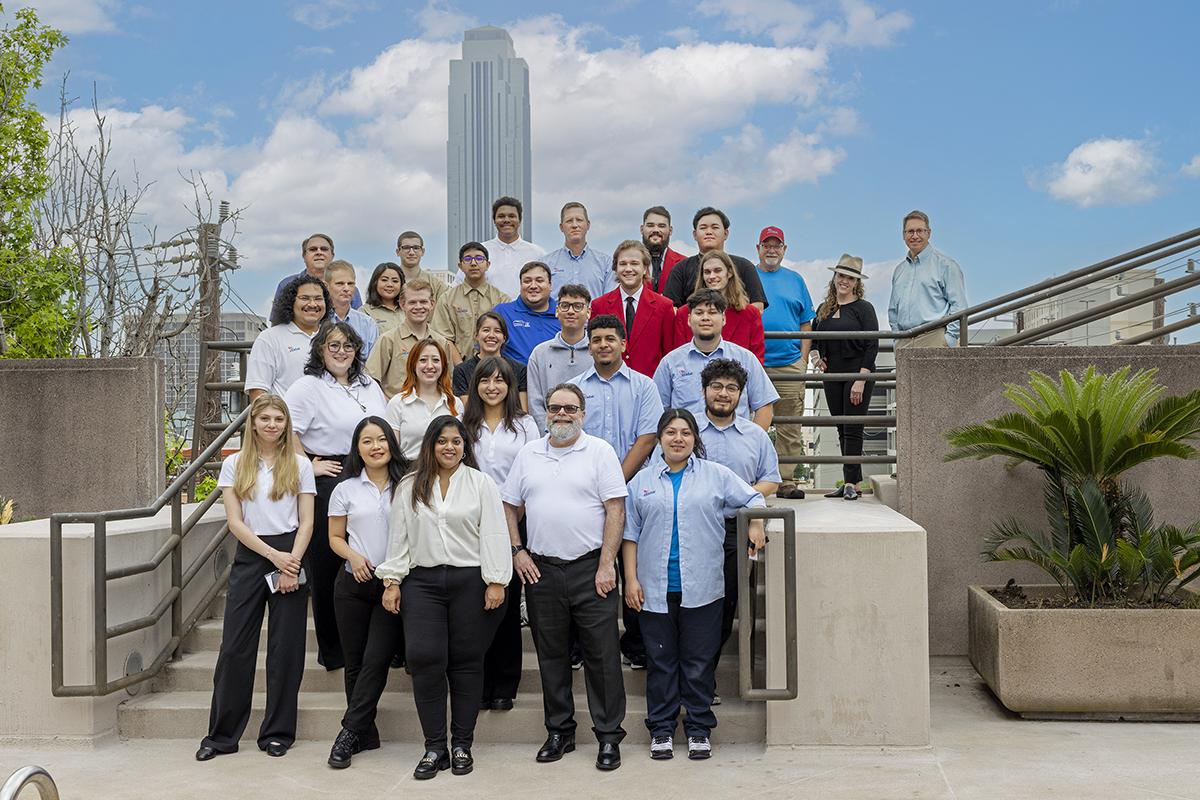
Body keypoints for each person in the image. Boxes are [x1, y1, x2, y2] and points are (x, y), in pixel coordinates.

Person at [623, 408, 765, 761]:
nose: (678, 438)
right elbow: (629, 535)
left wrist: (754, 524)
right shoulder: (640, 482)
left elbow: (753, 498)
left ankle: (699, 728)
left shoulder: (715, 476)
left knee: (698, 663)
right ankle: (661, 729)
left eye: (685, 432)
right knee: (661, 662)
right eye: (670, 432)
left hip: (702, 587)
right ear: (659, 439)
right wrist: (631, 579)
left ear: (694, 440)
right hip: (655, 588)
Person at [376, 416, 512, 779]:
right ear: (430, 445)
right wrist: (392, 580)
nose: (449, 447)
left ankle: (462, 744)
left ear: (465, 446)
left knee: (467, 661)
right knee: (424, 658)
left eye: (456, 441)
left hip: (470, 580)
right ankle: (434, 747)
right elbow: (399, 537)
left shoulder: (481, 483)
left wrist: (496, 580)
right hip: (422, 582)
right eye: (442, 441)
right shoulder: (410, 485)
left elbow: (495, 534)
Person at [502, 384, 629, 771]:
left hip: (591, 568)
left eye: (570, 408)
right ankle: (559, 731)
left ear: (582, 413)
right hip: (542, 570)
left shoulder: (600, 452)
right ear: (545, 412)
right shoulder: (529, 454)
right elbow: (509, 506)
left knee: (602, 656)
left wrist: (608, 563)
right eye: (555, 407)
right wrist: (517, 551)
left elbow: (615, 510)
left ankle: (608, 736)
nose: (561, 414)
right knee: (551, 654)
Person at [195, 394, 316, 761]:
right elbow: (235, 522)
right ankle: (221, 736)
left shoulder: (299, 464)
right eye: (265, 418)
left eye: (278, 418)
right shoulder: (234, 465)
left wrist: (290, 562)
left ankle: (278, 733)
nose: (272, 424)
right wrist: (272, 557)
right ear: (253, 423)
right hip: (252, 554)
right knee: (235, 648)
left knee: (285, 650)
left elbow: (307, 520)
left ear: (286, 424)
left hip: (291, 552)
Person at [284, 322, 388, 671]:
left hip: (371, 470)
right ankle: (334, 650)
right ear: (320, 350)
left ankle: (380, 644)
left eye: (348, 345)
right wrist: (307, 466)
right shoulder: (307, 386)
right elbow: (286, 430)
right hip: (330, 475)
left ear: (357, 349)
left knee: (377, 551)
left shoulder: (369, 384)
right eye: (333, 345)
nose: (341, 351)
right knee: (329, 564)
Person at [569, 315, 664, 670]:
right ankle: (581, 646)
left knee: (633, 567)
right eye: (597, 339)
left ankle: (636, 646)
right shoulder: (575, 388)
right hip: (586, 494)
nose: (604, 344)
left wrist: (615, 482)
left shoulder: (644, 387)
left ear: (624, 344)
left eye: (611, 338)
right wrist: (601, 488)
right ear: (588, 345)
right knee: (585, 567)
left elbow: (648, 438)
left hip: (634, 489)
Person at [325, 416, 411, 769]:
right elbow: (334, 538)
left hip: (391, 585)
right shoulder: (345, 489)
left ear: (391, 443)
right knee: (355, 662)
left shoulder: (408, 485)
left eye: (381, 439)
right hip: (352, 583)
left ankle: (347, 733)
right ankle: (365, 732)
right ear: (357, 449)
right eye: (367, 441)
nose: (375, 447)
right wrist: (354, 555)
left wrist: (394, 576)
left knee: (376, 660)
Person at [695, 359, 781, 703]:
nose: (723, 394)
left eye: (732, 388)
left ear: (741, 395)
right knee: (690, 607)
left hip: (735, 528)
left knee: (725, 605)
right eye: (717, 386)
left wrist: (753, 515)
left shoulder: (755, 436)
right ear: (703, 390)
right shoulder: (686, 430)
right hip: (693, 527)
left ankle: (703, 682)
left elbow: (771, 480)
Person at [461, 357, 541, 711]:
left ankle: (505, 684)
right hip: (469, 524)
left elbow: (529, 477)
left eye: (500, 381)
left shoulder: (524, 426)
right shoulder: (465, 424)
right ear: (475, 385)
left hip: (513, 520)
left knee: (506, 605)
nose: (492, 387)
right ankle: (477, 682)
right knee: (474, 605)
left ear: (511, 386)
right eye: (484, 380)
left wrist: (509, 520)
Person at [654, 289, 779, 431]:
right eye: (699, 313)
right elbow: (656, 411)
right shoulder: (670, 362)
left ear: (724, 319)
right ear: (689, 319)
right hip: (687, 448)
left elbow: (764, 406)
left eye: (712, 312)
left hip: (734, 447)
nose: (705, 318)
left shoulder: (745, 359)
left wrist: (751, 442)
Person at [755, 226, 816, 500]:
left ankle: (786, 481)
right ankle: (754, 478)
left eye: (776, 245)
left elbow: (806, 320)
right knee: (753, 425)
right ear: (758, 248)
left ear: (784, 249)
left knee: (789, 426)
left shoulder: (795, 280)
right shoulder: (748, 276)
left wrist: (803, 359)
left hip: (790, 363)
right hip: (755, 362)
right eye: (766, 245)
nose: (771, 249)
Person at [812, 254, 879, 500]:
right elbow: (816, 338)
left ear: (856, 282)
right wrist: (816, 357)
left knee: (853, 428)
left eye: (850, 278)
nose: (844, 281)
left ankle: (850, 482)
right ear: (835, 277)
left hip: (857, 372)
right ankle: (852, 482)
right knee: (841, 428)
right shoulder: (824, 309)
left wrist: (861, 380)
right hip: (832, 375)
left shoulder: (864, 308)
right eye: (841, 276)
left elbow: (872, 345)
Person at [590, 240, 676, 378]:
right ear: (616, 268)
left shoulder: (664, 306)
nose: (628, 269)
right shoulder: (599, 305)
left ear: (644, 268)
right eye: (623, 264)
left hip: (651, 386)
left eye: (634, 263)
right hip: (610, 383)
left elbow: (669, 353)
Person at [366, 278, 458, 398]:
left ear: (432, 304)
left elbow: (448, 381)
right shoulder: (388, 340)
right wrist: (388, 405)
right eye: (412, 302)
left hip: (434, 411)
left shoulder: (441, 342)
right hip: (398, 413)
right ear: (402, 305)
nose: (418, 307)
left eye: (423, 302)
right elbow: (371, 380)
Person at [888, 210, 967, 347]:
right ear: (903, 235)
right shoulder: (899, 271)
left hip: (934, 338)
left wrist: (949, 339)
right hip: (904, 341)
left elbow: (959, 306)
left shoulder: (946, 266)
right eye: (910, 231)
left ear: (928, 233)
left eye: (920, 231)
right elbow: (893, 310)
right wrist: (897, 340)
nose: (915, 236)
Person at [660, 208, 767, 310]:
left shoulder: (744, 266)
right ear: (694, 235)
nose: (709, 232)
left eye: (715, 227)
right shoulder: (680, 269)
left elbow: (757, 306)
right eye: (703, 228)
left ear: (726, 234)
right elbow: (671, 308)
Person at [245, 275, 330, 401]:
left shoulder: (334, 337)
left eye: (318, 299)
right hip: (288, 419)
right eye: (304, 298)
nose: (312, 304)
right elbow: (258, 391)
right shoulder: (270, 338)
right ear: (291, 302)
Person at [673, 249, 765, 362]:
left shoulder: (750, 313)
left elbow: (757, 359)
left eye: (717, 270)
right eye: (707, 272)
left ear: (729, 273)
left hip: (739, 377)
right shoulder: (685, 313)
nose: (712, 276)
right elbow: (678, 358)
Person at [526, 284, 591, 433]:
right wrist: (549, 433)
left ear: (588, 312)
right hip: (551, 437)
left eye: (578, 306)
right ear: (557, 311)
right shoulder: (540, 353)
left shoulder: (597, 352)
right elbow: (535, 402)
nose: (570, 311)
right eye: (565, 306)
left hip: (590, 440)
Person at [431, 241, 510, 360]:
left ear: (488, 264)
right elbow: (443, 338)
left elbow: (505, 337)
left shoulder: (501, 299)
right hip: (457, 370)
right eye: (467, 259)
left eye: (479, 258)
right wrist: (462, 369)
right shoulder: (447, 299)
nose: (473, 263)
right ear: (460, 266)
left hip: (494, 369)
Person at [384, 338, 459, 459]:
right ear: (413, 365)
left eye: (435, 360)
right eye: (423, 360)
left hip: (446, 473)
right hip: (409, 472)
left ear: (443, 365)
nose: (430, 366)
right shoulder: (397, 403)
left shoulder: (455, 403)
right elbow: (391, 452)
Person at [451, 311, 528, 408]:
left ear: (504, 338)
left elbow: (523, 410)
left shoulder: (519, 370)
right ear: (476, 335)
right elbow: (467, 410)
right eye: (486, 330)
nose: (491, 335)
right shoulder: (462, 370)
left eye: (497, 331)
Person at [477, 196, 546, 298]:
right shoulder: (480, 252)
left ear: (519, 220)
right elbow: (460, 286)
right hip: (489, 313)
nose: (506, 220)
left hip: (527, 313)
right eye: (501, 216)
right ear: (494, 220)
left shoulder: (538, 253)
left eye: (512, 216)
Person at [492, 262, 560, 364]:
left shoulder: (563, 314)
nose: (533, 286)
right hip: (514, 378)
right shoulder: (503, 313)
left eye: (539, 281)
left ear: (550, 285)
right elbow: (486, 348)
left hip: (555, 377)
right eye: (527, 281)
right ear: (520, 285)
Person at [543, 202, 614, 300]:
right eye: (569, 221)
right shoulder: (546, 264)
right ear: (561, 227)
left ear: (588, 225)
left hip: (595, 315)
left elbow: (609, 301)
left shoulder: (605, 264)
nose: (575, 225)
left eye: (579, 220)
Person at [274, 233, 362, 309]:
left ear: (332, 255)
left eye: (324, 249)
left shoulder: (350, 290)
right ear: (304, 256)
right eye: (313, 249)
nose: (319, 252)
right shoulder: (286, 285)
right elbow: (277, 322)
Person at [325, 260, 380, 359]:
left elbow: (372, 364)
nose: (346, 288)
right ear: (326, 286)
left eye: (350, 284)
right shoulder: (317, 322)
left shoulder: (368, 324)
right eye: (340, 284)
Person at [640, 206, 686, 294]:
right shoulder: (629, 264)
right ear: (642, 229)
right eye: (650, 225)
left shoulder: (684, 264)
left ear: (670, 230)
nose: (656, 230)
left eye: (661, 226)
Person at [393, 230, 448, 305]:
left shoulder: (436, 285)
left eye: (416, 248)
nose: (411, 252)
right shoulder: (388, 282)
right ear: (398, 251)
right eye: (406, 248)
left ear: (422, 251)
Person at [364, 262, 406, 334]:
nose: (389, 284)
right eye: (384, 280)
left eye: (395, 281)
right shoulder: (365, 312)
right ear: (375, 283)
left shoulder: (408, 309)